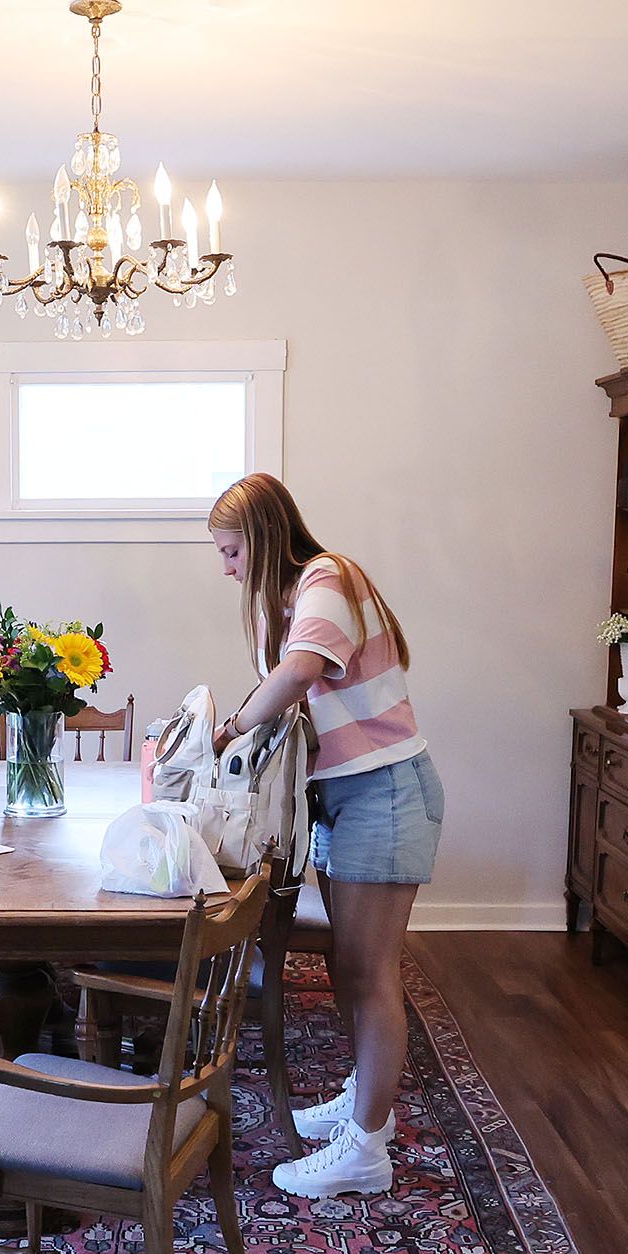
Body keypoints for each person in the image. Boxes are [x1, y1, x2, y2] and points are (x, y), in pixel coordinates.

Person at [207, 473, 443, 1199]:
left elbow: (300, 671)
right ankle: (364, 1098)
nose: (227, 568)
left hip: (385, 792)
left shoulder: (326, 578)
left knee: (371, 974)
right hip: (348, 796)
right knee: (350, 967)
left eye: (232, 551)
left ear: (264, 537)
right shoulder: (298, 596)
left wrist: (231, 729)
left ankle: (366, 1150)